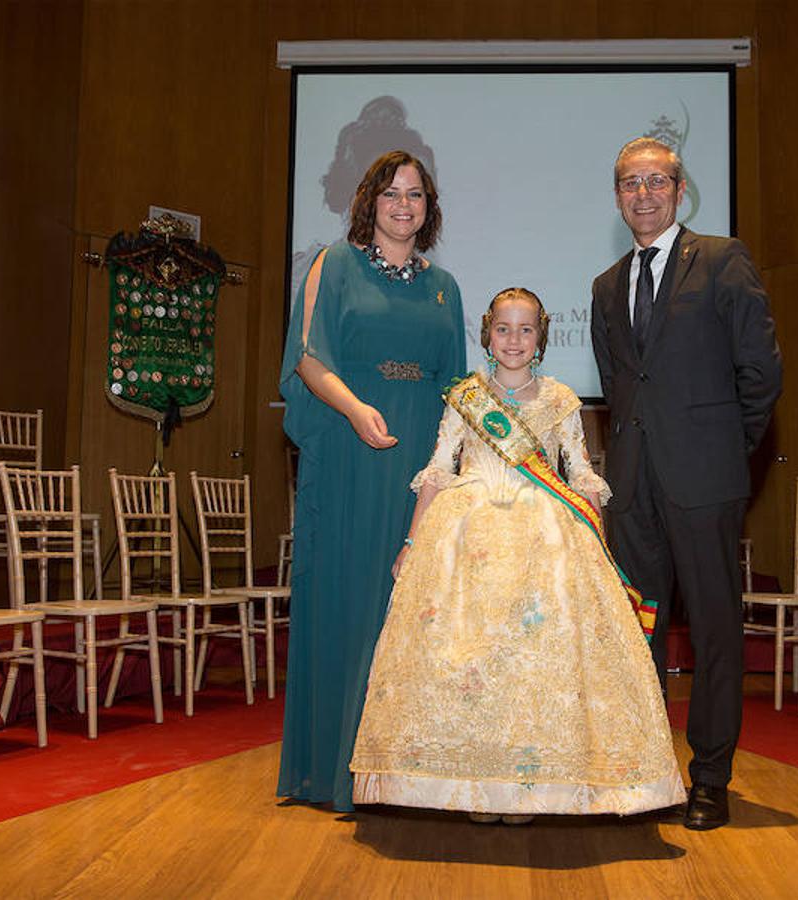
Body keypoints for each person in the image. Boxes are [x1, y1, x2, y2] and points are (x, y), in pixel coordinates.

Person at [350, 288, 683, 822]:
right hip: (466, 535)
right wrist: (412, 544)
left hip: (544, 539)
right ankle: (478, 787)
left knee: (532, 669)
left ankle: (528, 790)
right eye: (503, 329)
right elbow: (438, 471)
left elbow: (579, 474)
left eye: (525, 330)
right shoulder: (466, 397)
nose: (513, 340)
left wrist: (596, 544)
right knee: (473, 665)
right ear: (487, 334)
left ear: (541, 338)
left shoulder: (560, 399)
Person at [590, 138, 782, 831]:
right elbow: (620, 387)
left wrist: (729, 453)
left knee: (714, 633)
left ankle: (709, 780)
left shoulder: (723, 259)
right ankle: (644, 772)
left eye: (656, 181)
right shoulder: (606, 286)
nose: (643, 194)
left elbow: (761, 372)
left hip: (706, 481)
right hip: (633, 485)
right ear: (617, 197)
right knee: (638, 629)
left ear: (678, 189)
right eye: (629, 183)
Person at [278, 150, 466, 812]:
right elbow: (307, 359)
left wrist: (449, 469)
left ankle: (406, 777)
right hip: (352, 447)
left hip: (418, 462)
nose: (404, 204)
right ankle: (337, 773)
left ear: (428, 208)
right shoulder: (335, 264)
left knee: (411, 614)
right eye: (391, 193)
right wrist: (357, 410)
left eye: (415, 195)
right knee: (353, 606)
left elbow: (456, 387)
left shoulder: (445, 285)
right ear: (369, 202)